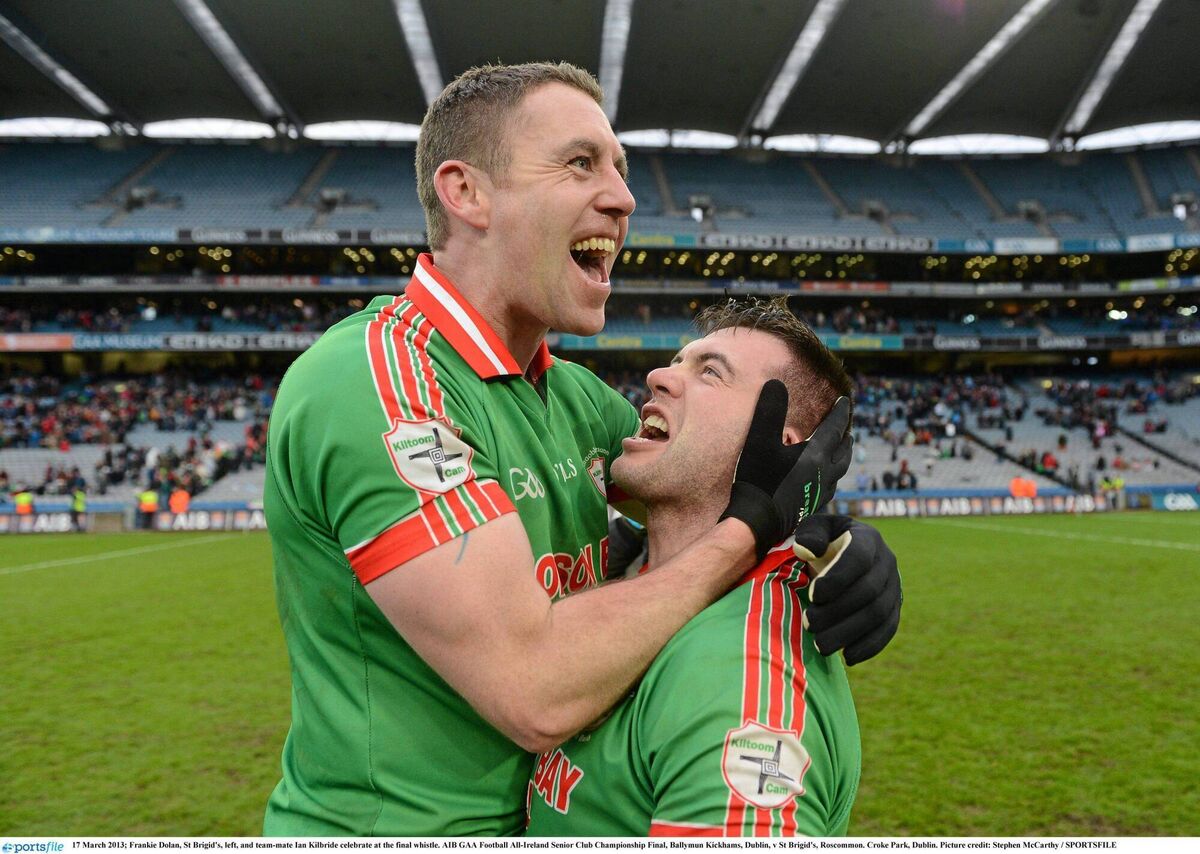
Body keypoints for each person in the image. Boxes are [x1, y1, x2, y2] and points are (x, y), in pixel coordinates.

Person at [263, 62, 900, 836]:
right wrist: (748, 533)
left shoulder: (574, 400)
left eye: (621, 170)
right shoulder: (373, 381)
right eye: (579, 163)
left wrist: (830, 540)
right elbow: (534, 691)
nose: (625, 198)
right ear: (467, 194)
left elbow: (712, 479)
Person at [526, 299, 873, 836]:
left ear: (781, 447)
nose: (658, 376)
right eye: (677, 361)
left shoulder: (742, 684)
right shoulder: (622, 577)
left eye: (710, 372)